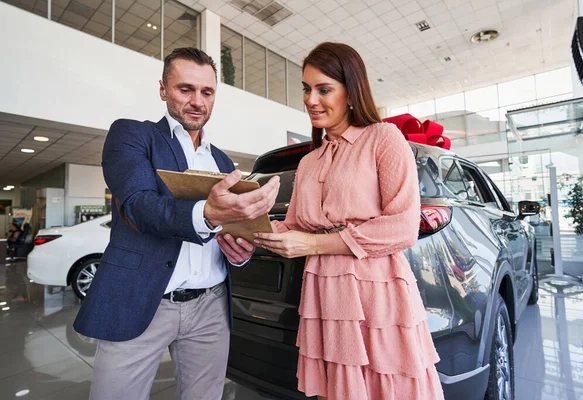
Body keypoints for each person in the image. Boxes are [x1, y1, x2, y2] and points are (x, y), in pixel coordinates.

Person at [73, 47, 280, 400]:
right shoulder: (133, 136)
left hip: (210, 306)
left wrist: (239, 251)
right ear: (163, 89)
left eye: (207, 92)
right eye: (185, 89)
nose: (197, 101)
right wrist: (208, 213)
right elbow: (139, 206)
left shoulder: (223, 161)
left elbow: (227, 234)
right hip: (141, 300)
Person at [254, 42, 444, 400]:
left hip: (375, 288)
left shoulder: (383, 139)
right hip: (324, 290)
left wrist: (311, 244)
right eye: (307, 89)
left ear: (352, 92)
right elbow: (294, 226)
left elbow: (402, 227)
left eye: (323, 89)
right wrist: (243, 222)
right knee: (338, 390)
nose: (311, 99)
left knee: (385, 384)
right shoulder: (309, 161)